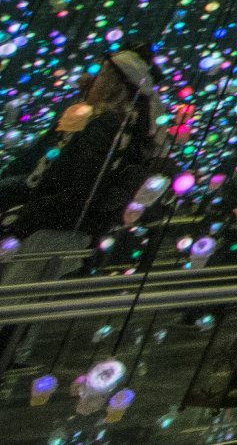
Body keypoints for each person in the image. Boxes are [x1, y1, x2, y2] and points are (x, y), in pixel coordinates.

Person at [0, 49, 165, 366]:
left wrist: (26, 212)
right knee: (23, 297)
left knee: (14, 296)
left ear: (115, 84)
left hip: (52, 227)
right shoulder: (114, 125)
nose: (92, 79)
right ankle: (9, 355)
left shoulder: (103, 126)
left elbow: (79, 187)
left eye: (102, 74)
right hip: (59, 225)